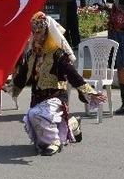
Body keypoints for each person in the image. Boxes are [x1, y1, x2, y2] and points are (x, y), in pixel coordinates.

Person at [11, 12, 105, 156]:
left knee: (35, 115)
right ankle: (73, 124)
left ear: (47, 32)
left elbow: (73, 75)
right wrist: (8, 86)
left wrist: (90, 92)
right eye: (34, 32)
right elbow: (23, 76)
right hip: (37, 98)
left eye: (40, 32)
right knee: (36, 122)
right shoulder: (32, 54)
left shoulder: (58, 54)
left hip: (56, 97)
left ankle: (55, 142)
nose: (36, 36)